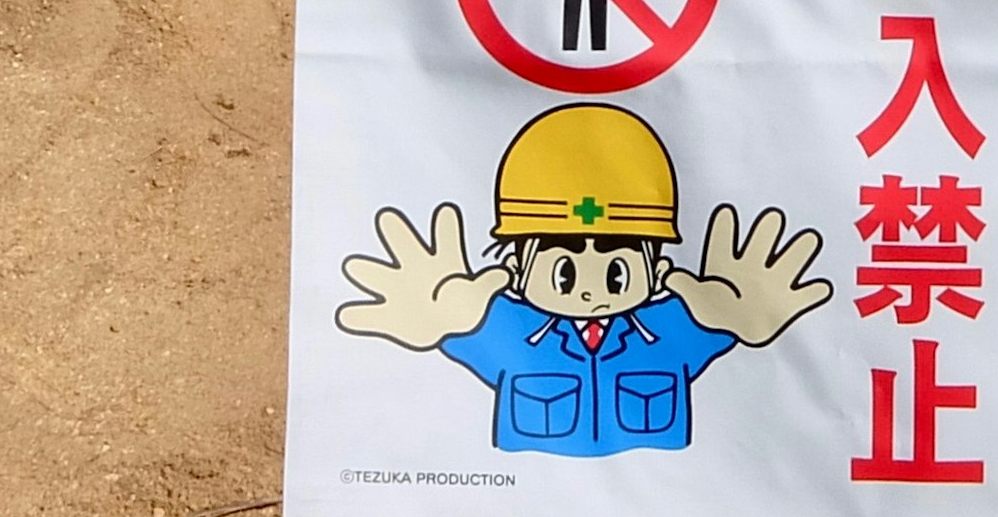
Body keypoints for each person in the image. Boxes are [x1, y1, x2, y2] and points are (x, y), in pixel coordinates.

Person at [335, 104, 830, 456]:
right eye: (564, 270)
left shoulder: (677, 328)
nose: (591, 291)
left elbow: (727, 319)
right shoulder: (501, 327)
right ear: (516, 269)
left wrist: (745, 313)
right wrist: (431, 316)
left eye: (617, 270)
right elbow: (451, 323)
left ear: (656, 271)